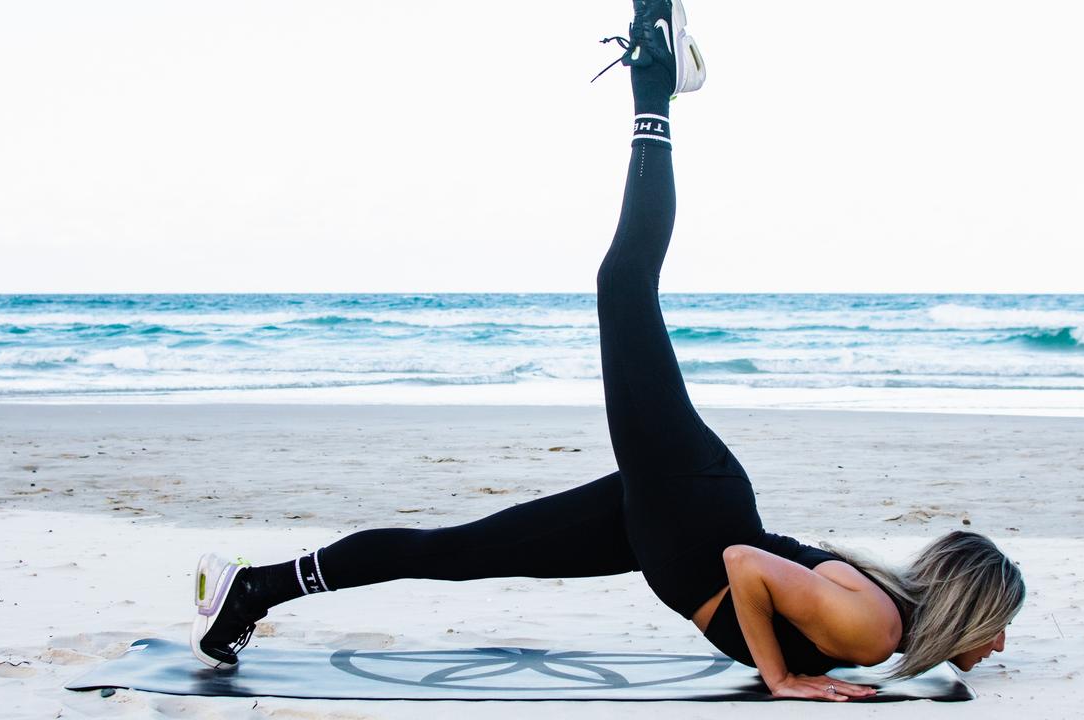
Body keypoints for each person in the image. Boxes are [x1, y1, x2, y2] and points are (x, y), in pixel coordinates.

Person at [189, 0, 1026, 701]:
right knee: (623, 286)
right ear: (969, 608)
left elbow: (750, 567)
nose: (998, 647)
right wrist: (780, 679)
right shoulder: (874, 628)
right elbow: (744, 561)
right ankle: (652, 77)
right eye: (1000, 629)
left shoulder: (881, 622)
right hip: (691, 514)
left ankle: (255, 586)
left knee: (454, 553)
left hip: (669, 527)